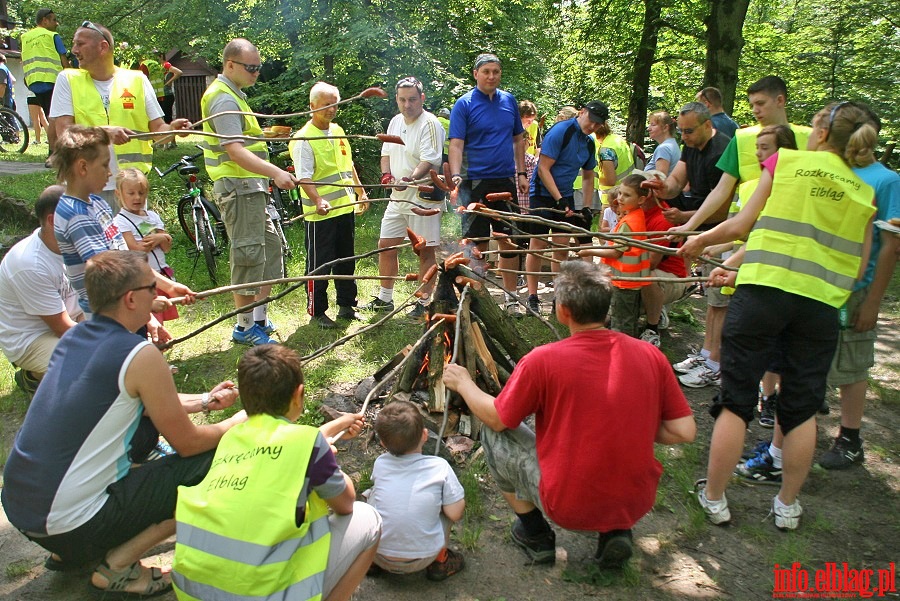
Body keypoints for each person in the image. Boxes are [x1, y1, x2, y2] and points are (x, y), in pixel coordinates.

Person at [1, 250, 248, 596]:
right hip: (68, 523)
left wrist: (204, 401)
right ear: (131, 298)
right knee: (215, 462)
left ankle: (71, 552)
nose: (159, 296)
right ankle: (120, 566)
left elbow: (143, 402)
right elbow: (188, 443)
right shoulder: (140, 355)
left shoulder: (73, 338)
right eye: (153, 288)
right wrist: (236, 423)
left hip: (22, 508)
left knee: (144, 432)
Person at [680, 102, 877, 531]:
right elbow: (860, 271)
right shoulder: (863, 192)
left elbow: (741, 225)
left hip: (762, 297)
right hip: (819, 307)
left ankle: (714, 497)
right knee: (801, 407)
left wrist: (698, 242)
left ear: (822, 133)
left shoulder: (785, 162)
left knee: (736, 400)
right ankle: (787, 505)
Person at [443, 260, 695, 568]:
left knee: (494, 434)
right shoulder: (650, 354)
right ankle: (616, 530)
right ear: (608, 304)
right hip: (636, 501)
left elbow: (498, 418)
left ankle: (536, 536)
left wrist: (465, 383)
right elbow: (685, 431)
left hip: (567, 505)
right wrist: (631, 419)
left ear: (562, 311)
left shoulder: (544, 361)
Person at [173, 344, 380, 601]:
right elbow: (346, 503)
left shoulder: (231, 437)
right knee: (369, 518)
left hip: (193, 591)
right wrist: (328, 462)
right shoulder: (308, 444)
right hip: (259, 594)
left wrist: (326, 433)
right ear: (299, 394)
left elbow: (278, 446)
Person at [52, 126, 191, 343]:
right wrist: (145, 302)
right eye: (105, 165)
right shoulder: (75, 214)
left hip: (126, 305)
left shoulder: (96, 204)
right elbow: (107, 270)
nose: (109, 173)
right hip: (109, 316)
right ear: (82, 167)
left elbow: (123, 257)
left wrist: (167, 286)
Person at [201, 38, 296, 344]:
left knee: (267, 253)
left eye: (258, 67)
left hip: (252, 188)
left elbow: (242, 139)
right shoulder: (224, 98)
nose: (256, 73)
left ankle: (259, 319)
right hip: (238, 188)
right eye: (251, 67)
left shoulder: (235, 95)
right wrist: (276, 173)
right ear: (230, 64)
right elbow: (235, 152)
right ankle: (243, 329)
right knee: (247, 255)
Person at [642, 101, 731, 388]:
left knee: (720, 299)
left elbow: (722, 207)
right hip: (701, 230)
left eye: (689, 131)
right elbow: (676, 182)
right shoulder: (691, 147)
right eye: (681, 132)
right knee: (713, 300)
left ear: (708, 125)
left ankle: (715, 363)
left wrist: (685, 218)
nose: (685, 138)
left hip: (722, 230)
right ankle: (707, 354)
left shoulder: (725, 150)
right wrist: (662, 187)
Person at [448, 53, 528, 316]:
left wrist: (521, 173)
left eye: (495, 71)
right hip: (474, 181)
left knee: (508, 240)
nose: (491, 76)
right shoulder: (465, 104)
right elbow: (456, 144)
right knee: (475, 243)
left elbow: (518, 139)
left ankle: (512, 298)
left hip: (505, 179)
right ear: (476, 74)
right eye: (486, 72)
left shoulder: (509, 101)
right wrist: (457, 176)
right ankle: (474, 298)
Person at [362, 76, 445, 319]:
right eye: (402, 100)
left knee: (424, 250)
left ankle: (425, 302)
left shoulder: (430, 124)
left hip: (423, 196)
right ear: (397, 100)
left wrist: (409, 179)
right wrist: (387, 176)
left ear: (422, 98)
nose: (406, 105)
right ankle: (385, 299)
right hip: (397, 198)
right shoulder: (395, 121)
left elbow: (430, 159)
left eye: (411, 99)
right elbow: (386, 152)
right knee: (386, 245)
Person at [293, 81, 369, 329]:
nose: (331, 109)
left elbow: (348, 166)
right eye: (326, 105)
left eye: (335, 104)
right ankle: (317, 311)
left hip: (344, 208)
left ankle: (347, 305)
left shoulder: (338, 130)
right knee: (320, 263)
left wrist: (360, 191)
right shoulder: (303, 138)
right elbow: (303, 176)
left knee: (346, 259)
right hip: (320, 215)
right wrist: (317, 200)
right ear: (312, 106)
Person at [365, 400, 466, 580]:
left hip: (376, 554)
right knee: (448, 506)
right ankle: (440, 562)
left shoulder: (380, 463)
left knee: (370, 495)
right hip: (424, 557)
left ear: (382, 443)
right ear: (425, 435)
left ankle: (371, 564)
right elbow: (456, 513)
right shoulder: (439, 467)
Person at [0, 185, 83, 394]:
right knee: (85, 363)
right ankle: (33, 376)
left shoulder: (73, 245)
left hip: (70, 318)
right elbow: (62, 328)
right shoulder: (29, 263)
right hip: (31, 338)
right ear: (53, 220)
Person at [523, 102, 602, 314]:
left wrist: (585, 206)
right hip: (541, 194)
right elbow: (543, 169)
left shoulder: (588, 142)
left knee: (561, 245)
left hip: (565, 195)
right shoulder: (561, 131)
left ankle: (559, 295)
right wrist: (558, 199)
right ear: (583, 113)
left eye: (598, 124)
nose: (593, 126)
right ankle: (532, 296)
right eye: (591, 120)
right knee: (537, 245)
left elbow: (588, 176)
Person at [579, 174, 651, 338]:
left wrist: (589, 251)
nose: (620, 198)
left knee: (621, 321)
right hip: (632, 280)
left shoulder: (628, 223)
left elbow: (615, 252)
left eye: (627, 195)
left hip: (624, 280)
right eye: (620, 193)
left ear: (640, 200)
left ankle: (622, 351)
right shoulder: (636, 215)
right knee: (628, 317)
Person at [113, 168, 179, 324]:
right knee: (149, 315)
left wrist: (160, 237)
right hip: (142, 277)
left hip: (160, 272)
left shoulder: (153, 216)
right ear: (119, 194)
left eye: (141, 193)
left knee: (161, 314)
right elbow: (135, 249)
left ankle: (160, 344)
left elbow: (166, 246)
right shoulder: (121, 221)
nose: (137, 198)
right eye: (131, 193)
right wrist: (160, 238)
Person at [19, 8, 70, 155]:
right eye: (54, 20)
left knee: (50, 114)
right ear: (44, 20)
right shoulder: (52, 35)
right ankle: (53, 153)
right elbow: (63, 59)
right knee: (55, 116)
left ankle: (54, 152)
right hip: (52, 80)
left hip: (34, 82)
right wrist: (69, 77)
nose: (57, 23)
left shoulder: (25, 37)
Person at [645, 110, 680, 176]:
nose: (648, 128)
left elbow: (660, 179)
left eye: (653, 125)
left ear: (665, 127)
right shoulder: (672, 144)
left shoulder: (664, 148)